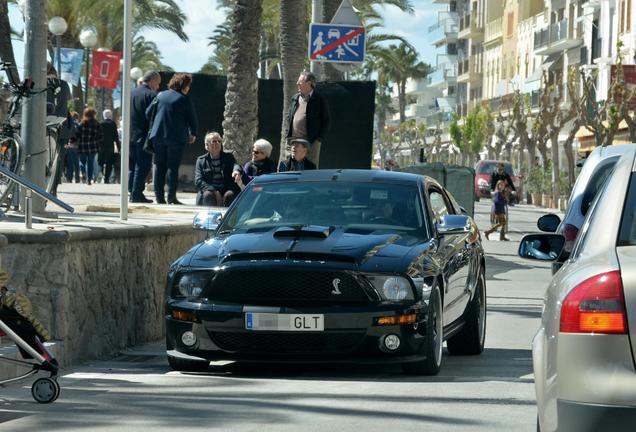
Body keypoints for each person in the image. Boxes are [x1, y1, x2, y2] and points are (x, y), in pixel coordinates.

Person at [148, 73, 198, 205]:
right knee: (172, 167)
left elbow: (148, 113)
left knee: (159, 166)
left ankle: (159, 198)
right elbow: (192, 118)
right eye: (188, 85)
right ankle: (171, 198)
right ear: (183, 85)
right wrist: (193, 133)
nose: (189, 88)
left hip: (157, 136)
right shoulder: (184, 99)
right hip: (176, 138)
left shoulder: (160, 95)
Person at [283, 71, 330, 168]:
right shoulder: (295, 98)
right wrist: (288, 133)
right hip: (292, 140)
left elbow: (326, 120)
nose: (297, 84)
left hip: (310, 141)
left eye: (299, 82)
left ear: (309, 84)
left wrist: (318, 139)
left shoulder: (319, 99)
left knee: (310, 168)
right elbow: (289, 117)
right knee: (289, 167)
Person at [129, 70, 161, 203]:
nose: (158, 86)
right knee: (142, 165)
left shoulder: (131, 93)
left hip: (130, 134)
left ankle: (132, 190)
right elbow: (153, 117)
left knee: (132, 165)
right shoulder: (152, 95)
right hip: (144, 135)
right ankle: (136, 193)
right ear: (152, 81)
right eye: (158, 83)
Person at [194, 132, 242, 207]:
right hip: (210, 189)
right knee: (208, 194)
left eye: (219, 141)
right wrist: (214, 191)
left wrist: (236, 171)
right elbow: (198, 180)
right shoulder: (201, 160)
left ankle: (229, 218)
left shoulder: (228, 157)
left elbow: (236, 165)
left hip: (226, 188)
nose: (217, 143)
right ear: (207, 145)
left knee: (230, 195)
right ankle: (209, 217)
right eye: (214, 141)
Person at [75, 108, 103, 185]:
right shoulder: (97, 124)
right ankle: (89, 180)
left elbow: (77, 135)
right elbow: (101, 136)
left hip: (83, 146)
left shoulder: (81, 124)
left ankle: (83, 172)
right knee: (90, 163)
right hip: (93, 147)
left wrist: (73, 142)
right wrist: (95, 140)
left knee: (82, 162)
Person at [99, 109, 120, 184]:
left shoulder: (101, 123)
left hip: (101, 146)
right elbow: (116, 137)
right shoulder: (113, 124)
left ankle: (100, 175)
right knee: (109, 163)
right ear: (110, 116)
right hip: (110, 146)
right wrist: (119, 147)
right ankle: (107, 179)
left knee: (100, 162)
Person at [64, 111, 81, 183]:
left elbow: (68, 134)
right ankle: (77, 179)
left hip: (70, 145)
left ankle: (69, 178)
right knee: (77, 163)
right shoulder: (78, 125)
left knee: (70, 163)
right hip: (77, 146)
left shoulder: (70, 124)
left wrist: (67, 143)